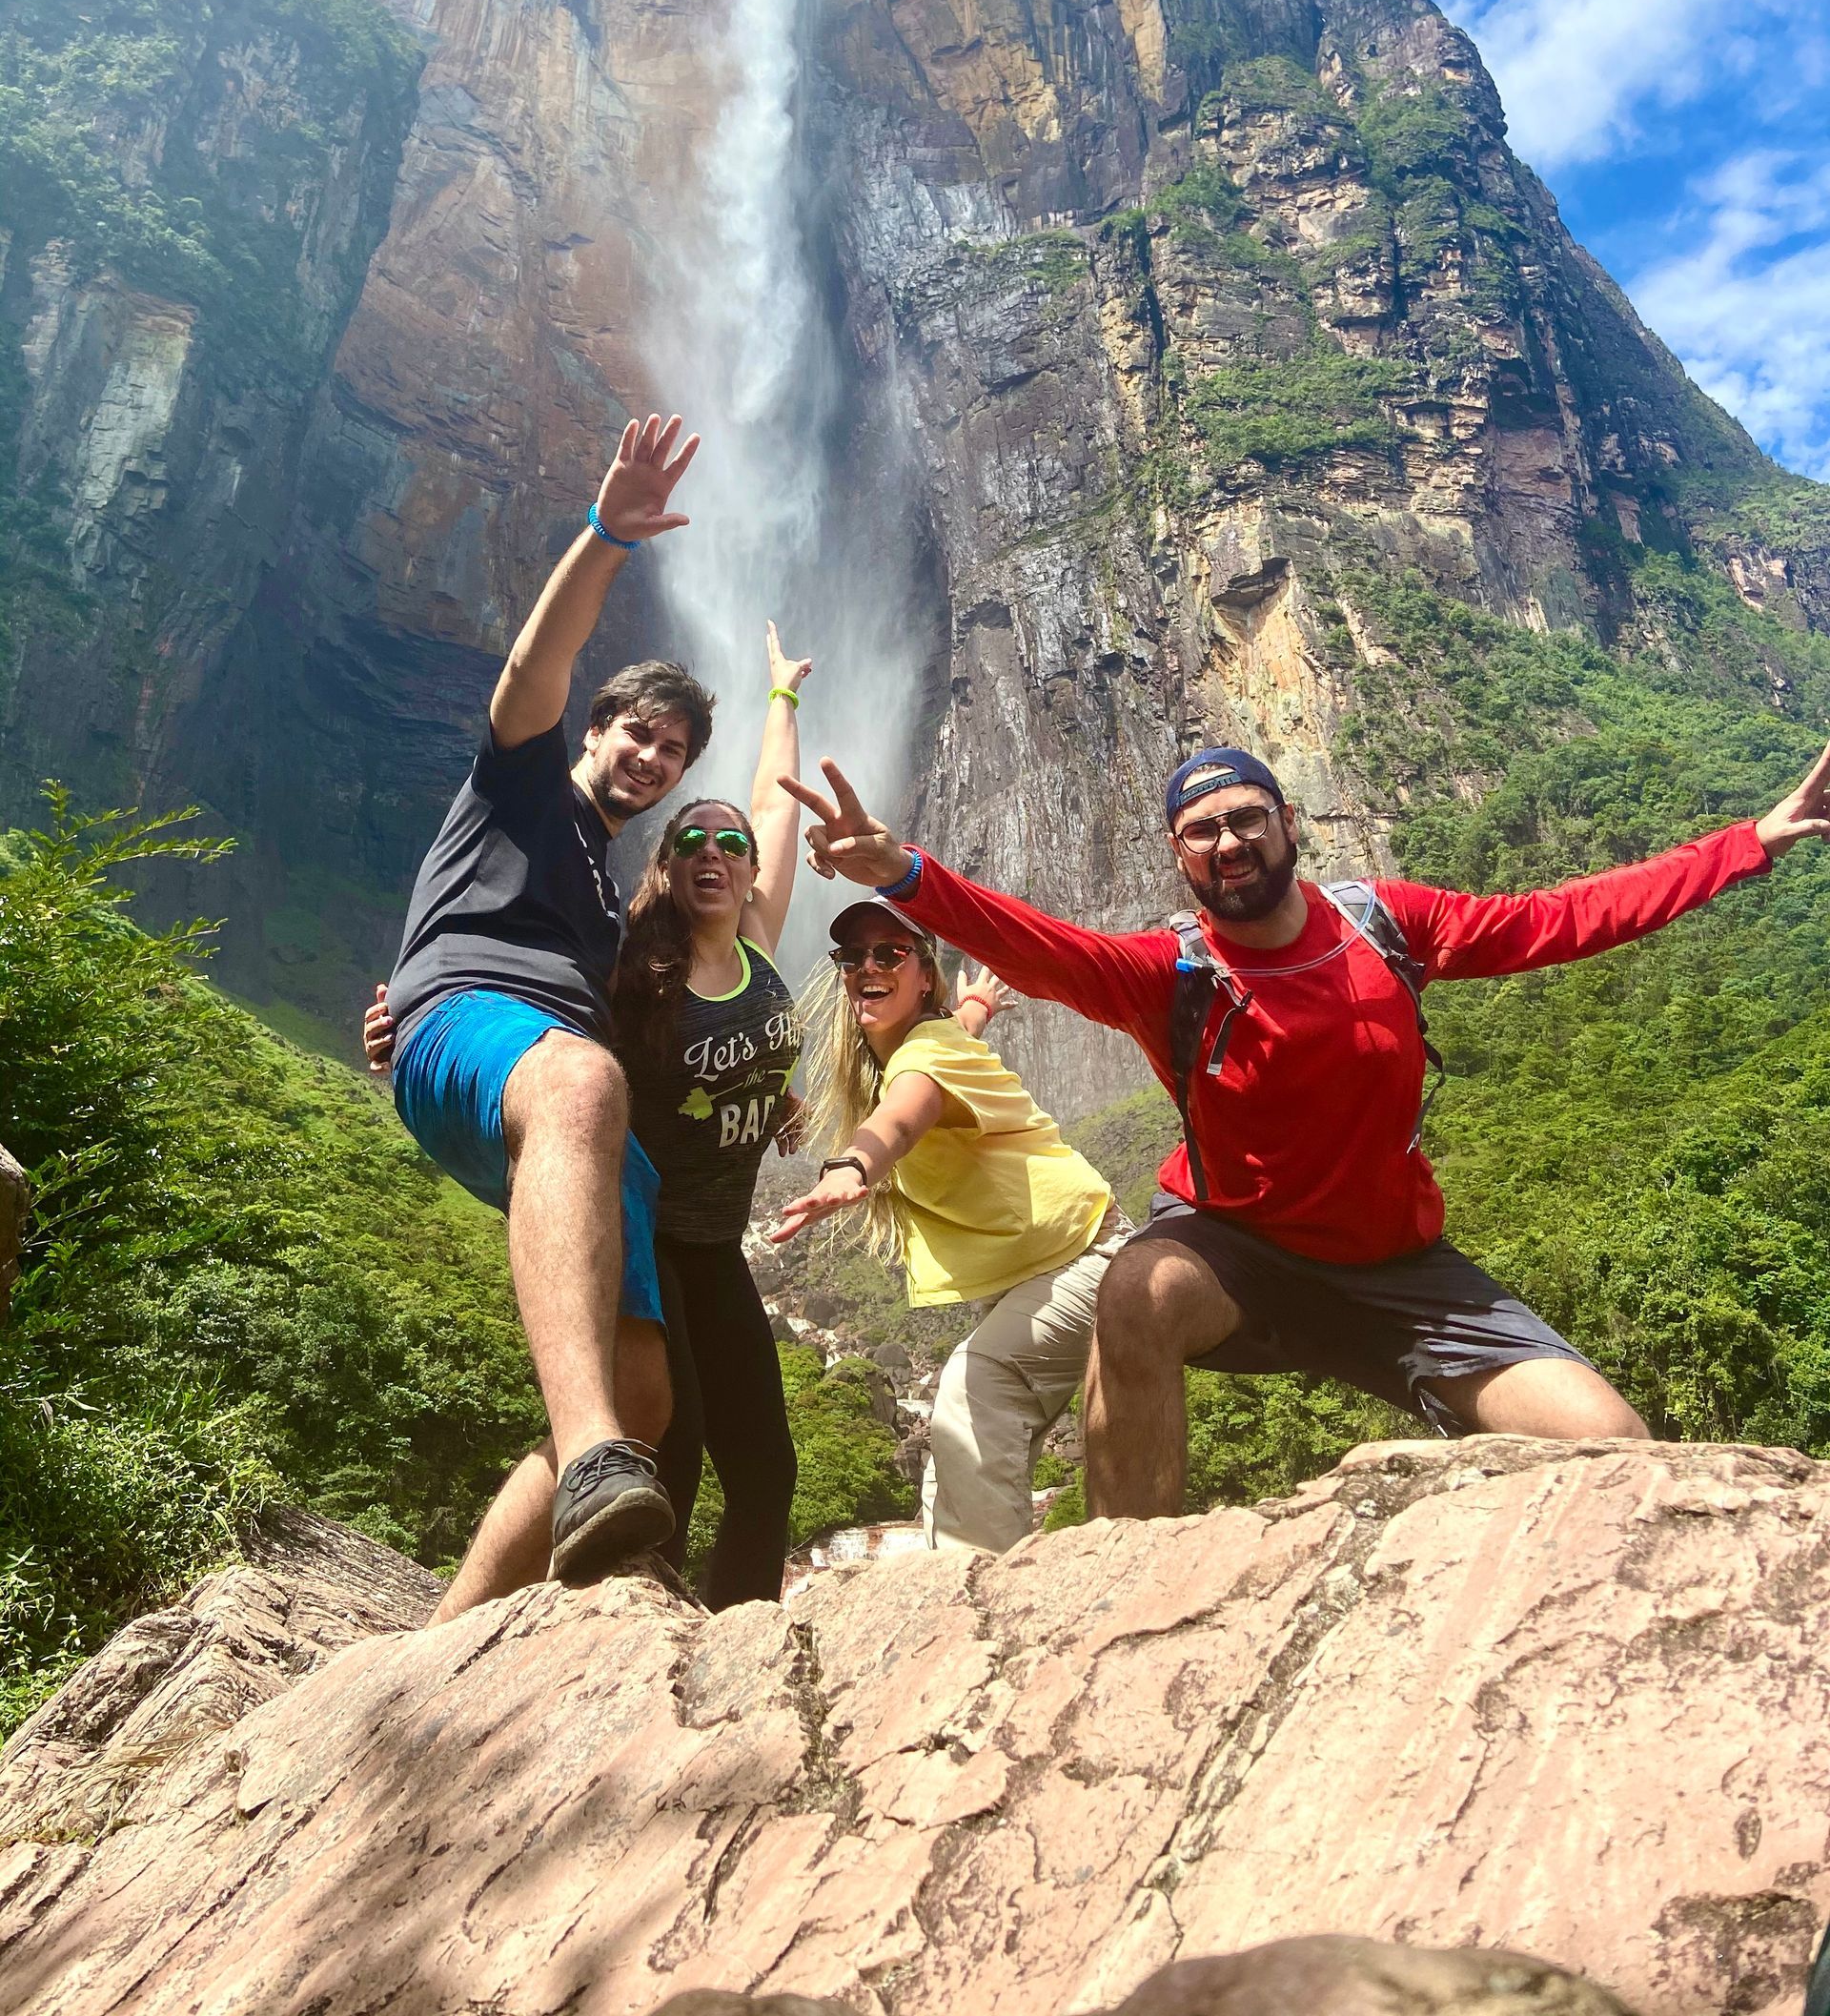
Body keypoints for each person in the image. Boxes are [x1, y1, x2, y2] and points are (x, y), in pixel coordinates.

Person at [782, 738, 1830, 1518]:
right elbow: (1044, 946)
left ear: (1288, 822)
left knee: (1614, 1442)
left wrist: (1751, 842)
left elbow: (1563, 917)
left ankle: (1413, 1479)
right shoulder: (1173, 974)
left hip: (1403, 1273)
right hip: (1237, 1257)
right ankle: (1119, 1583)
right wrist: (903, 874)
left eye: (1245, 817)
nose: (1228, 841)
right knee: (1137, 1288)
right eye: (1203, 829)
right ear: (1177, 854)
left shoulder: (1389, 924)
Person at [369, 625, 814, 1616]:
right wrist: (409, 1008)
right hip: (650, 1216)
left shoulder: (758, 941)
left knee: (741, 1455)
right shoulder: (628, 962)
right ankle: (637, 1632)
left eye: (727, 841)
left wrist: (781, 701)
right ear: (665, 864)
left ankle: (729, 1634)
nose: (715, 850)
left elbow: (776, 815)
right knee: (667, 1445)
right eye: (691, 838)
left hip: (719, 1238)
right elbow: (539, 1032)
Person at [381, 411, 704, 1590]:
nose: (652, 757)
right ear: (598, 727)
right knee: (578, 1073)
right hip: (491, 1032)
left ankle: (455, 1630)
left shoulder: (611, 899)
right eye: (637, 731)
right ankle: (588, 1457)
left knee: (648, 1388)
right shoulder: (520, 780)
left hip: (561, 1078)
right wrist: (606, 534)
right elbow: (532, 669)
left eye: (674, 752)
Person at [774, 899, 1124, 1554]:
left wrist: (855, 1162)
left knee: (974, 1390)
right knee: (955, 1451)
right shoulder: (935, 1036)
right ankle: (946, 1597)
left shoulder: (921, 1057)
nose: (867, 965)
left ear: (923, 974)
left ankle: (992, 1603)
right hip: (1034, 1273)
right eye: (853, 957)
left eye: (890, 953)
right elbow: (955, 1033)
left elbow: (904, 1115)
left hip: (1083, 1258)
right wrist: (981, 1007)